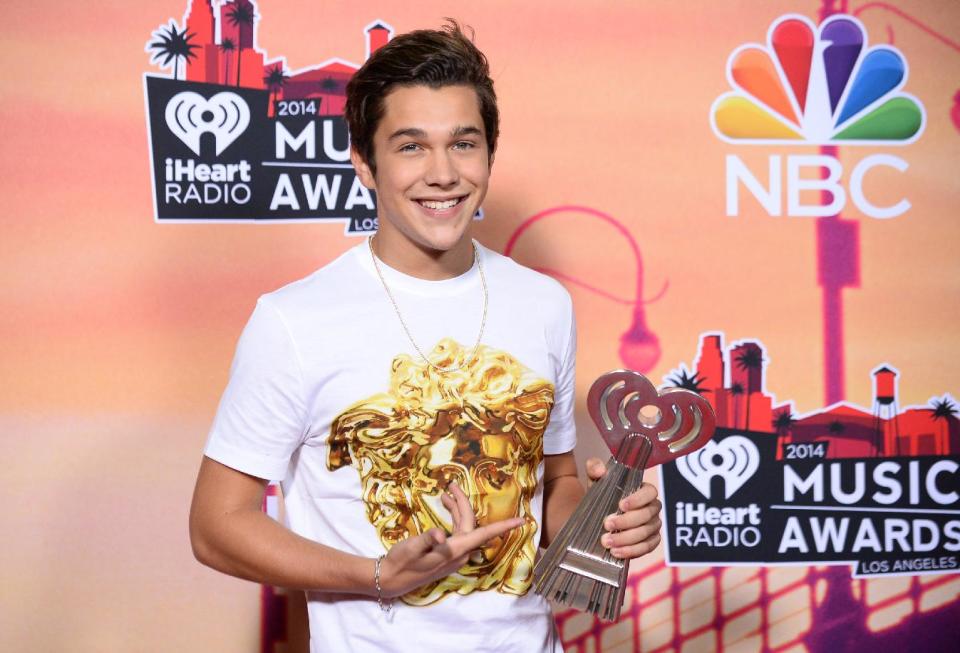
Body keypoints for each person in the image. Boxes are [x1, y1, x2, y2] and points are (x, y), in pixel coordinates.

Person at [189, 21, 662, 652]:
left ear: (489, 154)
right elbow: (216, 527)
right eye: (411, 147)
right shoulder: (294, 320)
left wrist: (604, 519)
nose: (442, 173)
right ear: (365, 162)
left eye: (463, 143)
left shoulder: (543, 304)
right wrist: (378, 575)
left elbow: (554, 481)